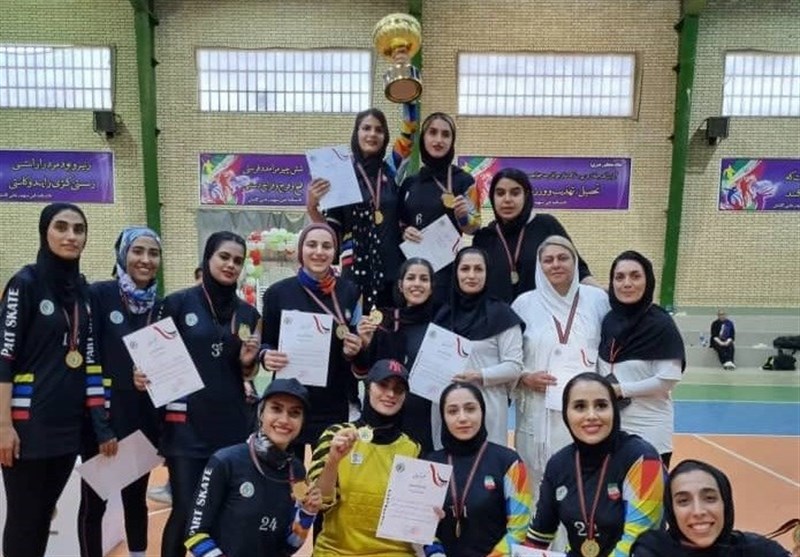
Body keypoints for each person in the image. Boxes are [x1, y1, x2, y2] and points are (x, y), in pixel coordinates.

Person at [0, 203, 116, 557]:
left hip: (68, 428)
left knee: (42, 516)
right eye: (61, 227)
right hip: (28, 426)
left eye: (79, 229)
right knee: (25, 520)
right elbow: (4, 358)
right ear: (44, 232)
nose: (71, 236)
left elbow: (90, 361)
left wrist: (99, 424)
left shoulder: (82, 292)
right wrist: (3, 425)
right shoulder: (25, 283)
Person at [140, 231, 261, 557]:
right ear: (208, 259)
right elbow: (153, 365)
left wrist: (248, 363)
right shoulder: (177, 303)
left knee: (223, 512)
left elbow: (247, 374)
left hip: (231, 426)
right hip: (186, 428)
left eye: (238, 260)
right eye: (224, 257)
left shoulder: (248, 314)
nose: (231, 265)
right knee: (185, 510)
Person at [79, 226, 163, 557]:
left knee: (135, 500)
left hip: (141, 420)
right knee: (94, 505)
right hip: (103, 423)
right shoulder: (100, 296)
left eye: (153, 253)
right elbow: (91, 362)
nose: (145, 259)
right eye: (137, 251)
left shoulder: (162, 307)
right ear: (123, 254)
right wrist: (101, 427)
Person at [511, 236, 611, 495]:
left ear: (575, 262)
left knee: (583, 481)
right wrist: (524, 377)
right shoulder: (524, 303)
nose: (556, 264)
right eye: (548, 260)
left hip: (586, 409)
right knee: (536, 482)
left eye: (563, 258)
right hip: (537, 407)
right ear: (539, 265)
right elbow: (509, 355)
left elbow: (610, 348)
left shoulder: (597, 300)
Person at [525, 373, 665, 556]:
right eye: (580, 407)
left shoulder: (644, 460)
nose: (591, 415)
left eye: (601, 405)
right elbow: (538, 535)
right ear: (566, 414)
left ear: (614, 410)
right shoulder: (558, 464)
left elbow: (637, 543)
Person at [183, 378, 322, 557]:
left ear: (302, 422)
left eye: (294, 413)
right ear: (261, 413)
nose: (284, 420)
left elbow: (289, 546)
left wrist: (307, 514)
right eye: (276, 409)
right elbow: (194, 534)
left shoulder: (297, 472)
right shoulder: (225, 461)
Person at [260, 223, 363, 458]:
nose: (319, 252)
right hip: (289, 403)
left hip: (333, 402)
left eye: (326, 246)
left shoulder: (350, 292)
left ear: (334, 252)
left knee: (328, 472)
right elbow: (266, 343)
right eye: (311, 245)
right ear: (301, 250)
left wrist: (355, 348)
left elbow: (357, 346)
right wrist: (266, 356)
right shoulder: (277, 293)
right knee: (286, 473)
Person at [308, 359, 421, 557]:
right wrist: (333, 461)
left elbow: (413, 516)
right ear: (368, 387)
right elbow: (319, 502)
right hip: (337, 552)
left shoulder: (412, 448)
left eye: (398, 389)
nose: (390, 394)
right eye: (383, 385)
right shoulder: (337, 434)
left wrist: (428, 515)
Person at [306, 107, 412, 308]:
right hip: (354, 272)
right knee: (353, 326)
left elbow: (408, 136)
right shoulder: (340, 174)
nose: (372, 134)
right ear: (357, 133)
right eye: (366, 128)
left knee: (388, 326)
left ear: (385, 137)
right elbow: (332, 234)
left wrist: (408, 97)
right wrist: (312, 207)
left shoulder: (390, 169)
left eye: (379, 130)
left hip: (391, 272)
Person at [598, 250, 686, 467]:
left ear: (648, 280)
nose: (627, 283)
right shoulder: (608, 321)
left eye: (635, 276)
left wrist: (620, 390)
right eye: (619, 277)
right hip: (609, 427)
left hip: (649, 429)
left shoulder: (660, 324)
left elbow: (667, 379)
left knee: (648, 489)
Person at [423, 382, 532, 557]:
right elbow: (422, 527)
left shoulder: (510, 462)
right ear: (443, 417)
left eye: (470, 409)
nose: (462, 418)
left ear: (482, 412)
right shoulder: (429, 464)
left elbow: (519, 529)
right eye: (452, 411)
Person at [434, 246, 524, 445]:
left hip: (488, 406)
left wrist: (479, 375)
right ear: (456, 273)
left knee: (486, 461)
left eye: (478, 269)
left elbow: (514, 367)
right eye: (465, 269)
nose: (471, 275)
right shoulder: (443, 315)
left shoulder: (502, 314)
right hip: (446, 406)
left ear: (487, 274)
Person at [472, 167, 597, 304]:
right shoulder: (484, 237)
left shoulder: (546, 225)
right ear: (492, 197)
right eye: (500, 193)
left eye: (515, 193)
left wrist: (605, 294)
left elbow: (578, 270)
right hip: (497, 315)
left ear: (526, 196)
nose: (507, 199)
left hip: (542, 313)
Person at [356, 257, 438, 452]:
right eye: (411, 278)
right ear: (401, 285)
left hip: (423, 417)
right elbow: (364, 373)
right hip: (385, 413)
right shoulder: (383, 322)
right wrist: (365, 345)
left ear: (431, 287)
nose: (417, 284)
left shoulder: (441, 325)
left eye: (424, 279)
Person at [399, 112, 481, 305]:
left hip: (448, 273)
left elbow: (474, 226)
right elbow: (400, 222)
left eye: (445, 134)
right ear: (423, 138)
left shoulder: (465, 181)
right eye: (433, 132)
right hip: (414, 273)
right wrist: (404, 231)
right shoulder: (410, 183)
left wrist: (463, 217)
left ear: (452, 141)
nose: (439, 140)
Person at [631, 459, 790, 556]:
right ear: (671, 510)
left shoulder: (756, 549)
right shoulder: (653, 549)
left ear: (725, 503)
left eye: (709, 498)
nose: (698, 511)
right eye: (683, 501)